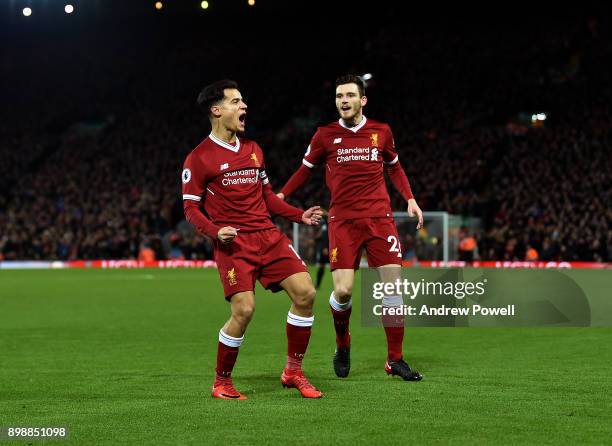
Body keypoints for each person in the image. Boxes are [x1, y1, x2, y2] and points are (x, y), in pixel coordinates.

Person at [181, 80, 324, 400]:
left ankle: (293, 372)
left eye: (243, 101)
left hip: (268, 236)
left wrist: (298, 215)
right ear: (216, 111)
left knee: (306, 293)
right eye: (236, 102)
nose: (244, 107)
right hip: (234, 244)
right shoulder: (199, 158)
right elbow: (190, 207)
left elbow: (267, 197)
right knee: (244, 311)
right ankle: (222, 382)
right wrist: (215, 231)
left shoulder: (254, 150)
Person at [278, 75, 423, 381]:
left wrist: (410, 199)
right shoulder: (325, 135)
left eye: (348, 95)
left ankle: (394, 359)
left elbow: (394, 167)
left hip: (379, 219)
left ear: (362, 100)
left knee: (392, 290)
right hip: (343, 221)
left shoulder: (381, 131)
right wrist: (281, 196)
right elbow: (305, 170)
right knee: (342, 291)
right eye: (338, 96)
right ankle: (343, 342)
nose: (343, 101)